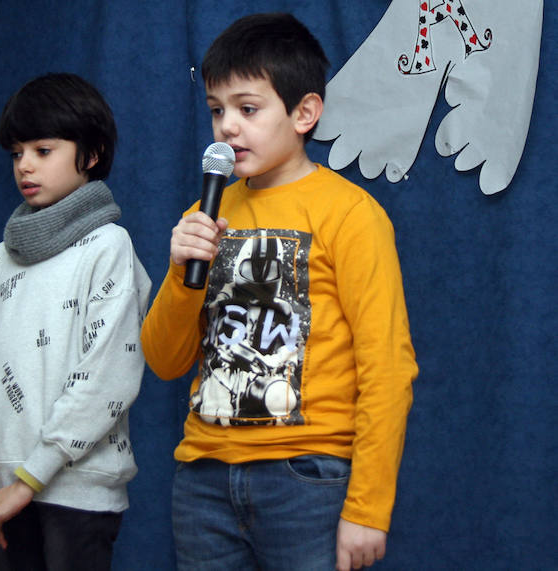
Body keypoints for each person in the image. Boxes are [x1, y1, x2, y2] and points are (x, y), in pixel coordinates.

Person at [140, 13, 418, 571]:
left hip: (306, 478)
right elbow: (164, 361)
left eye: (247, 108)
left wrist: (368, 507)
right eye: (217, 110)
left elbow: (387, 366)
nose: (227, 128)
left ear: (304, 113)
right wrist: (180, 273)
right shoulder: (204, 214)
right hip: (204, 480)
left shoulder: (351, 215)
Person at [0, 73, 151, 571]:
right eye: (17, 153)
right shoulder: (1, 258)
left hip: (78, 495)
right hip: (5, 492)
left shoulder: (108, 248)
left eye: (43, 149)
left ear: (93, 153)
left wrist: (28, 479)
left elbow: (106, 379)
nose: (25, 166)